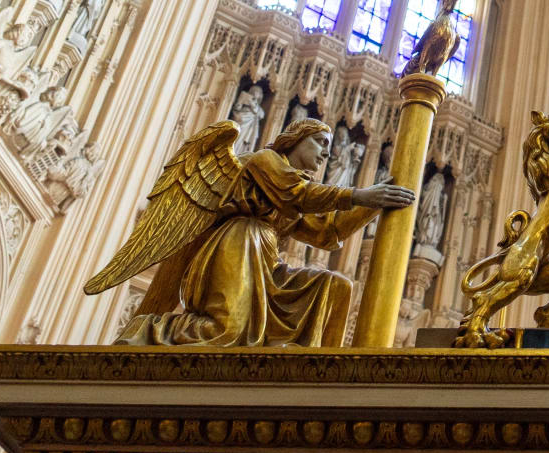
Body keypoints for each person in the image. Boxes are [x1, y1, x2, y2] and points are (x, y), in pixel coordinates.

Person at [92, 119, 415, 347]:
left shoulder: (288, 189)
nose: (326, 153)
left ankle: (319, 372)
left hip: (264, 257)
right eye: (320, 142)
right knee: (225, 330)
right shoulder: (264, 162)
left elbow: (324, 233)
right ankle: (148, 330)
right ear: (295, 139)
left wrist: (376, 203)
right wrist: (359, 195)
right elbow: (297, 194)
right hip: (237, 243)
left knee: (334, 287)